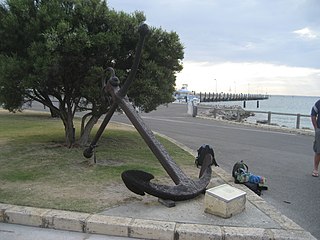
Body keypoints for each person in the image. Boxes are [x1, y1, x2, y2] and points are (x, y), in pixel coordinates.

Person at [311, 99, 320, 177]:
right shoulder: (318, 103)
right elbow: (313, 114)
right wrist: (316, 128)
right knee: (318, 151)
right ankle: (315, 169)